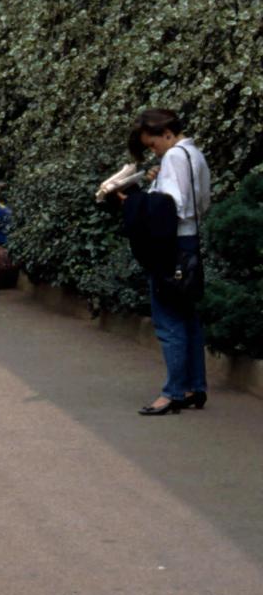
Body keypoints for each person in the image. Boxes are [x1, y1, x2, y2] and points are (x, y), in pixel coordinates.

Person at [117, 108, 212, 415]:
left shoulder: (173, 157)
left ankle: (172, 393)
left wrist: (131, 200)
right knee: (187, 316)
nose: (153, 150)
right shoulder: (195, 154)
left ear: (167, 133)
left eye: (153, 144)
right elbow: (200, 202)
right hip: (191, 239)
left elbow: (168, 207)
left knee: (168, 319)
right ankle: (194, 387)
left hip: (170, 244)